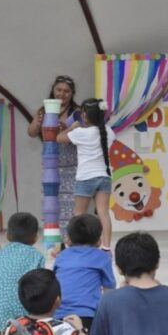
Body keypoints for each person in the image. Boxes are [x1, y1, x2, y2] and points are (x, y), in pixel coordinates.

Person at [58, 98, 116, 249]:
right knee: (103, 213)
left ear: (84, 115)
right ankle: (106, 247)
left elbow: (59, 138)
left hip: (86, 178)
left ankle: (72, 245)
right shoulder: (109, 131)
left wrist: (71, 127)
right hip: (105, 176)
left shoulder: (80, 132)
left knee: (79, 214)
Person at [29, 75, 81, 230]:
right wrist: (37, 123)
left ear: (72, 94)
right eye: (59, 89)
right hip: (51, 166)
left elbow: (82, 137)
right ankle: (54, 242)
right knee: (50, 205)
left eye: (66, 91)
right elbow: (31, 133)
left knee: (72, 207)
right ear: (53, 90)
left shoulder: (77, 112)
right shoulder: (43, 110)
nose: (62, 94)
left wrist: (67, 129)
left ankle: (71, 239)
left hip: (72, 167)